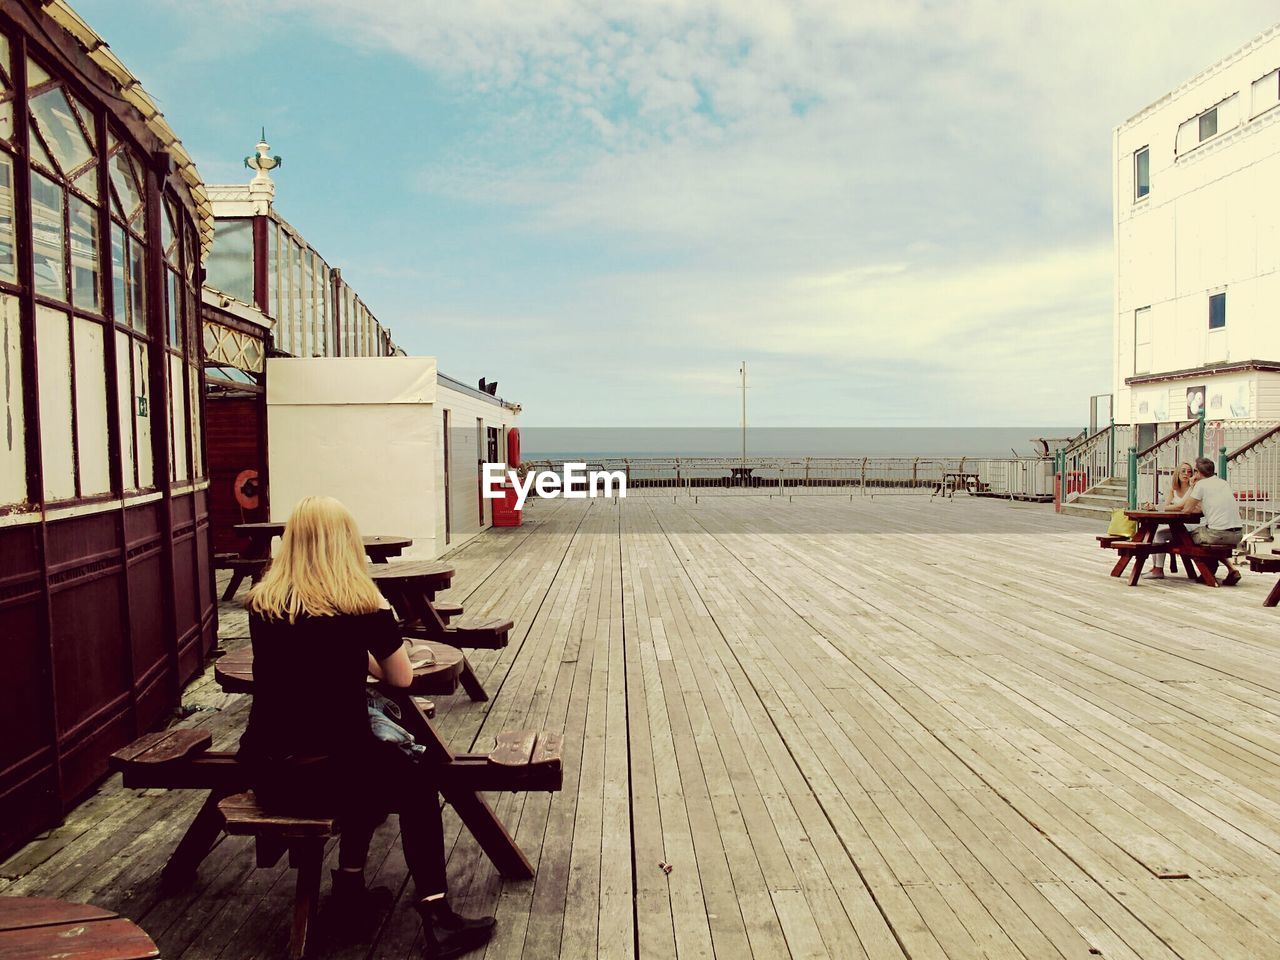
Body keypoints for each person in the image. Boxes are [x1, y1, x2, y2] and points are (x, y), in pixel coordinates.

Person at [237, 495, 495, 959]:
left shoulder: (263, 605)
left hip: (270, 775)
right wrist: (374, 647)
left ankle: (351, 889)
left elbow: (309, 658)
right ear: (347, 544)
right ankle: (437, 918)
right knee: (414, 776)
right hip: (335, 776)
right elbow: (401, 677)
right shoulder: (361, 607)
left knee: (367, 756)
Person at [1180, 457, 1243, 586]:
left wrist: (1192, 486)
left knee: (1185, 537)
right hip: (1237, 534)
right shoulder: (1223, 483)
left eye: (1194, 471)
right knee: (1207, 533)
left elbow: (1186, 510)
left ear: (1197, 472)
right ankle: (1230, 569)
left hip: (1218, 534)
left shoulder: (1201, 485)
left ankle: (1208, 571)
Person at [1145, 462, 1196, 579]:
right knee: (1155, 532)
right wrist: (1153, 506)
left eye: (1189, 472)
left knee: (1159, 534)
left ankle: (1158, 569)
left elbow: (1180, 506)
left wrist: (1157, 507)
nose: (1186, 474)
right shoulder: (1173, 489)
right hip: (1179, 525)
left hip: (1191, 525)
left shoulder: (1193, 488)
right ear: (1177, 473)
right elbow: (1166, 505)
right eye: (1183, 471)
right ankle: (1155, 567)